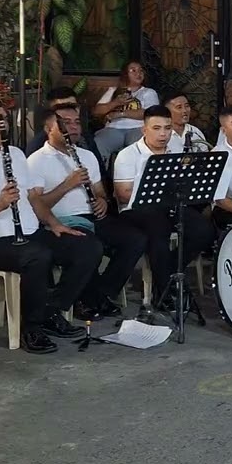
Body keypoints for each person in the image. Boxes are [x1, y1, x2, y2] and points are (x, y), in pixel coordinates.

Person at [0, 96, 99, 353]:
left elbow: (32, 197)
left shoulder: (14, 154)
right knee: (37, 257)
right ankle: (31, 330)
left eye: (4, 119)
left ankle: (51, 310)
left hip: (29, 233)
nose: (3, 125)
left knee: (87, 247)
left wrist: (54, 224)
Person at [26, 103, 144, 321]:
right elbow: (37, 204)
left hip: (93, 217)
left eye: (76, 122)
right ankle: (86, 299)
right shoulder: (36, 161)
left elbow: (100, 191)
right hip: (62, 220)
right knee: (91, 247)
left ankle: (99, 294)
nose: (73, 127)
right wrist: (68, 184)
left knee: (135, 239)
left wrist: (102, 201)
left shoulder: (86, 155)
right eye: (65, 123)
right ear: (48, 128)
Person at [113, 105, 222, 299]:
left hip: (170, 206)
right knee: (158, 230)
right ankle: (164, 291)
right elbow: (123, 195)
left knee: (204, 231)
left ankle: (168, 272)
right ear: (144, 130)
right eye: (157, 128)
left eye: (167, 128)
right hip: (137, 210)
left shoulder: (177, 150)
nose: (163, 134)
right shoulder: (127, 155)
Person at [92, 60, 160, 161]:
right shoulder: (114, 91)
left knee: (140, 148)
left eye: (141, 71)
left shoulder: (148, 92)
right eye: (133, 71)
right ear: (125, 74)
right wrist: (116, 102)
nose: (138, 74)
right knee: (99, 143)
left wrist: (120, 114)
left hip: (138, 128)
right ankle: (102, 175)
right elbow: (97, 111)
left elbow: (150, 113)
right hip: (113, 128)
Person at [27, 86, 99, 157]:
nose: (69, 111)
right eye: (62, 108)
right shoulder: (36, 148)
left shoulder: (86, 139)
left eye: (73, 106)